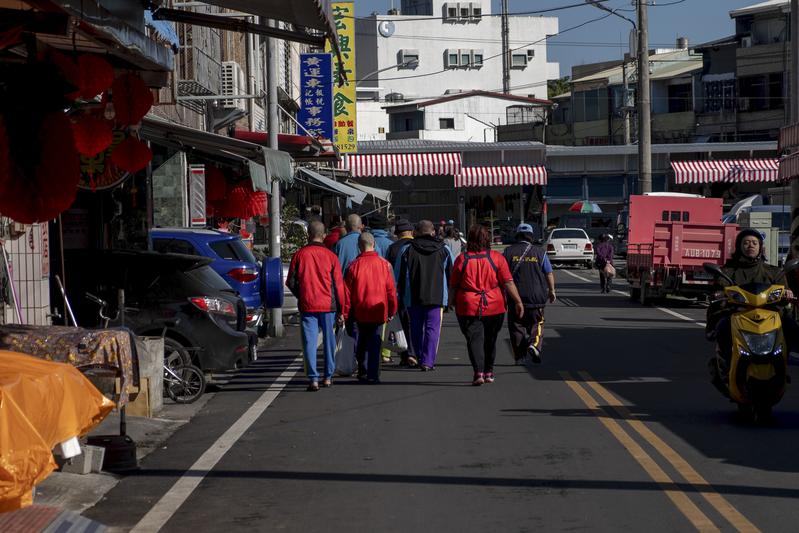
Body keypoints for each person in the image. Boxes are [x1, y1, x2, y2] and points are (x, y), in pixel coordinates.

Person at [707, 229, 798, 386]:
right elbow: (719, 289)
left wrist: (787, 293)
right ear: (739, 246)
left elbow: (784, 290)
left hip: (769, 317)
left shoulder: (774, 272)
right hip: (738, 314)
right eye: (746, 242)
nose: (751, 246)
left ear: (760, 247)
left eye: (754, 243)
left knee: (790, 326)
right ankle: (725, 368)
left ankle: (783, 362)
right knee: (722, 328)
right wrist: (720, 294)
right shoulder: (728, 271)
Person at [450, 225, 525, 386]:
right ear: (487, 239)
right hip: (495, 305)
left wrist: (450, 301)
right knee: (491, 339)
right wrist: (518, 301)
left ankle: (478, 372)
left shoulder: (462, 259)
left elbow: (454, 285)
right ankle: (489, 371)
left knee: (474, 340)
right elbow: (508, 282)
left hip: (468, 305)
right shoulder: (497, 258)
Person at [286, 221, 347, 391]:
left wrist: (302, 295)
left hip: (308, 304)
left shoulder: (299, 255)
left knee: (309, 342)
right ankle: (327, 376)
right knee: (329, 341)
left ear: (308, 234)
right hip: (328, 305)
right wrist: (342, 309)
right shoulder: (331, 256)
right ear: (324, 235)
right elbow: (339, 286)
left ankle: (313, 378)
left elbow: (290, 281)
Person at [398, 219, 455, 371]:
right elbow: (453, 274)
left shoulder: (406, 250)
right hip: (436, 296)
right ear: (433, 232)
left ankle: (419, 355)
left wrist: (400, 295)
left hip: (413, 296)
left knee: (415, 328)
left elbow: (399, 275)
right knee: (432, 329)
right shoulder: (444, 249)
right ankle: (428, 361)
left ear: (415, 232)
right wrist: (452, 296)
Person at [344, 233, 398, 383]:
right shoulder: (385, 265)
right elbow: (391, 291)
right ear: (374, 244)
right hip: (379, 309)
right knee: (375, 340)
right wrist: (392, 309)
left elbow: (346, 293)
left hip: (360, 308)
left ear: (359, 247)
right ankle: (373, 373)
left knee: (361, 339)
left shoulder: (352, 266)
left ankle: (363, 369)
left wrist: (345, 312)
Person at [502, 223, 556, 365]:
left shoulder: (508, 252)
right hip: (536, 297)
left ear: (517, 235)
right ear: (531, 237)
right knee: (537, 323)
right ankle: (535, 344)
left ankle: (520, 357)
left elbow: (501, 275)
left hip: (515, 297)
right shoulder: (540, 252)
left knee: (516, 326)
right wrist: (552, 291)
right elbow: (549, 273)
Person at [386, 219, 417, 367]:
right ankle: (416, 353)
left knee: (403, 324)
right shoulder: (417, 245)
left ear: (397, 234)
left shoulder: (392, 248)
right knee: (418, 324)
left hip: (400, 291)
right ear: (412, 232)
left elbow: (388, 271)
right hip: (419, 290)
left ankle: (406, 354)